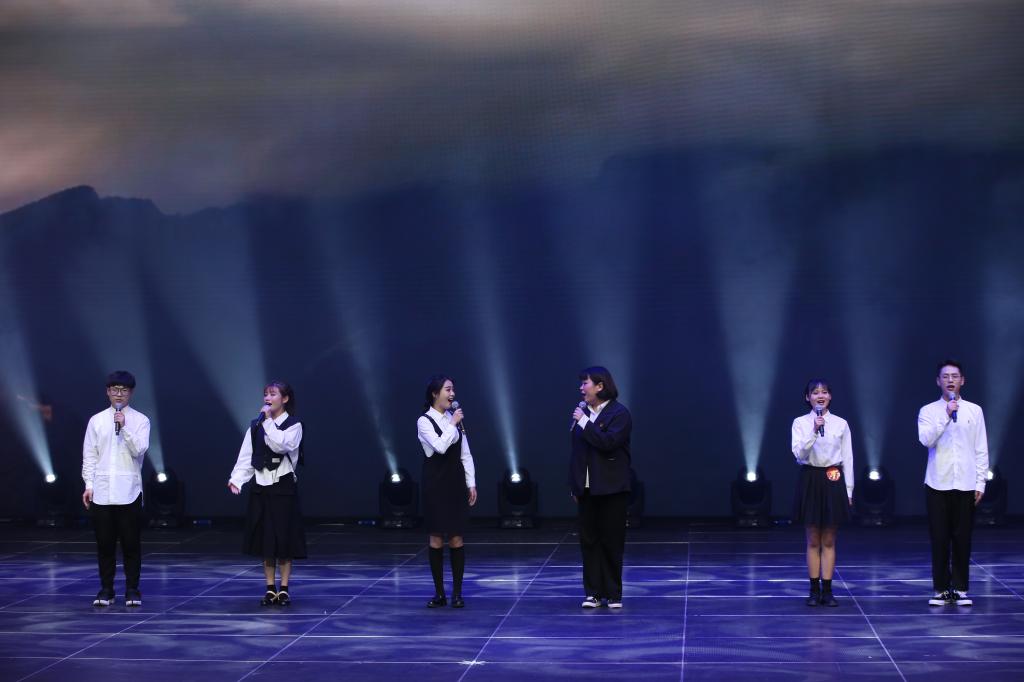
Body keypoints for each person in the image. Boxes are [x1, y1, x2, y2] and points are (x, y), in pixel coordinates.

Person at [229, 381, 306, 606]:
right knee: (266, 540)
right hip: (261, 486)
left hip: (283, 487)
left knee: (284, 538)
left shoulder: (294, 425)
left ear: (285, 398)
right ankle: (270, 588)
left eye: (273, 394)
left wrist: (269, 422)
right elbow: (247, 456)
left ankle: (284, 589)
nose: (267, 398)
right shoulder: (256, 425)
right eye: (265, 394)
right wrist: (237, 479)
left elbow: (281, 445)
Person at [918, 360, 989, 607]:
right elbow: (926, 440)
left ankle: (960, 589)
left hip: (966, 482)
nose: (950, 380)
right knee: (939, 538)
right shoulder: (928, 411)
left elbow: (981, 448)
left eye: (955, 376)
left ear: (962, 381)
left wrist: (981, 482)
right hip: (937, 482)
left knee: (962, 538)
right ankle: (940, 589)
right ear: (938, 381)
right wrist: (946, 416)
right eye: (945, 376)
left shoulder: (974, 411)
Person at [82, 370, 151, 607]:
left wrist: (125, 427)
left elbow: (139, 449)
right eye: (114, 390)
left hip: (129, 491)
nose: (118, 394)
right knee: (105, 545)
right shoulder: (97, 420)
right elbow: (90, 455)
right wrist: (89, 485)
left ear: (131, 393)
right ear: (108, 392)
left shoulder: (140, 420)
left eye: (123, 390)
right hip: (102, 492)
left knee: (131, 545)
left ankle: (132, 589)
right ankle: (106, 589)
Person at [569, 366, 632, 609]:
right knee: (589, 540)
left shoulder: (619, 413)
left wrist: (585, 422)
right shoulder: (583, 413)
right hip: (587, 488)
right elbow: (576, 452)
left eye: (585, 383)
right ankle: (593, 593)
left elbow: (608, 443)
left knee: (612, 540)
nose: (581, 388)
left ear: (600, 386)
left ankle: (613, 593)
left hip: (612, 487)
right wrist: (575, 484)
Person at [791, 379, 854, 607]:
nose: (820, 396)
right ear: (807, 397)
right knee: (812, 538)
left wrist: (849, 490)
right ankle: (813, 589)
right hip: (810, 477)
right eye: (815, 392)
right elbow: (799, 454)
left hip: (833, 478)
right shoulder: (800, 423)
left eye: (824, 392)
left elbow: (848, 458)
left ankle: (827, 590)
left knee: (828, 538)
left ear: (830, 396)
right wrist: (814, 431)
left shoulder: (841, 423)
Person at [417, 375, 477, 608]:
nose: (452, 394)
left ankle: (457, 593)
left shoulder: (454, 419)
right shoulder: (424, 421)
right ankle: (439, 593)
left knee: (456, 536)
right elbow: (440, 447)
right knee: (435, 536)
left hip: (455, 482)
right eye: (447, 389)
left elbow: (465, 453)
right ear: (435, 393)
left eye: (453, 390)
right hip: (435, 484)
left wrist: (471, 483)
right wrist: (452, 424)